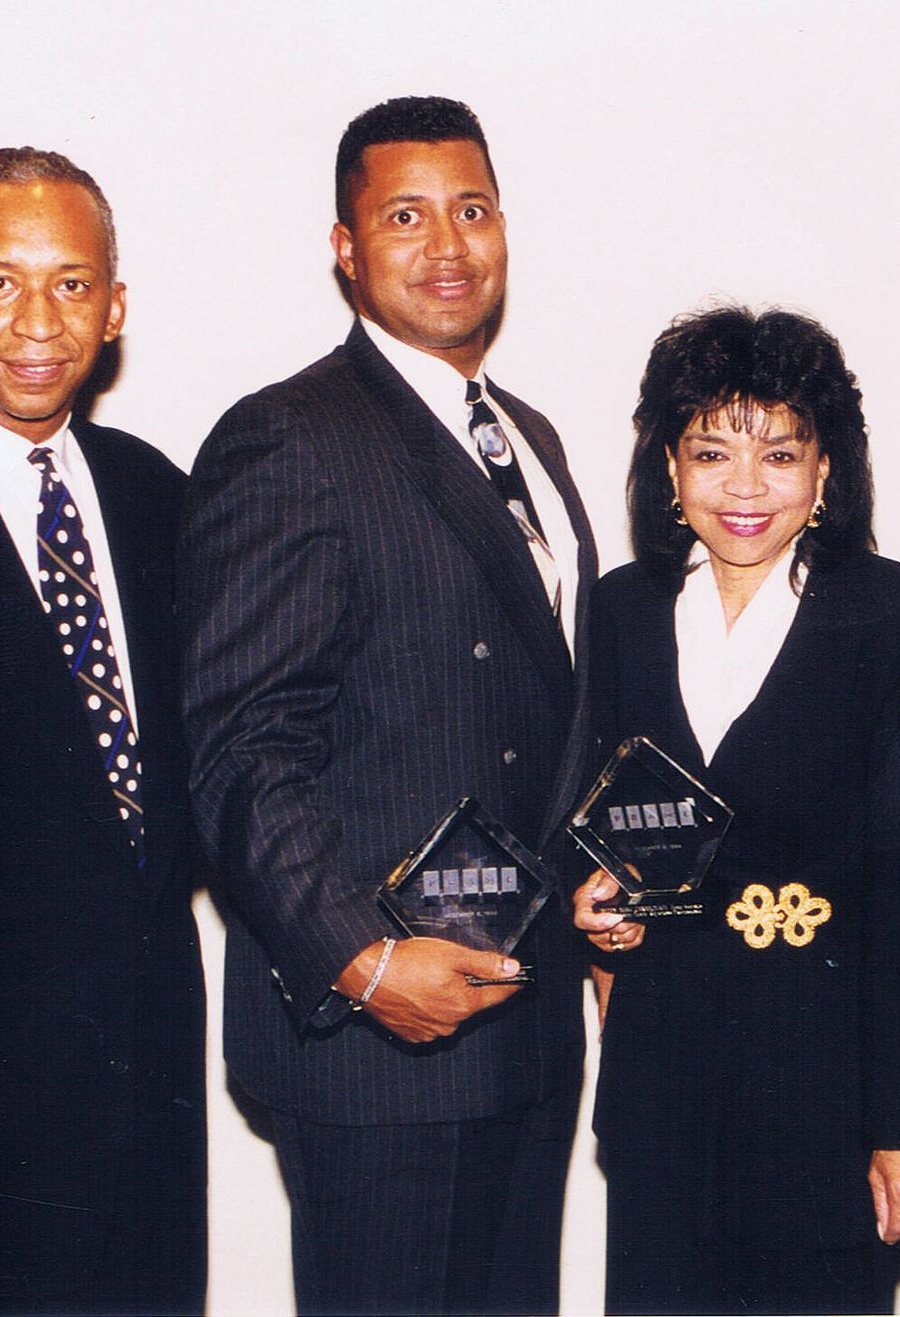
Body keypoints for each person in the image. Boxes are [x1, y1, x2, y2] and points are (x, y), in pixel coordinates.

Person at [181, 96, 595, 1315]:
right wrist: (360, 960)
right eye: (405, 215)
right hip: (381, 1044)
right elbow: (241, 753)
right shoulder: (288, 437)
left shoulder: (531, 437)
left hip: (524, 1027)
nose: (449, 244)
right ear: (345, 247)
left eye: (471, 209)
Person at [571, 306, 900, 1315]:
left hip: (823, 1087)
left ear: (826, 469)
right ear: (669, 468)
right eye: (712, 452)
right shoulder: (618, 612)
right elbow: (586, 818)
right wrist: (592, 914)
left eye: (779, 454)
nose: (744, 487)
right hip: (663, 1078)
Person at [0, 147, 207, 1314]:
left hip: (146, 1105)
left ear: (114, 308)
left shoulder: (162, 496)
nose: (37, 322)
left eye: (71, 284)